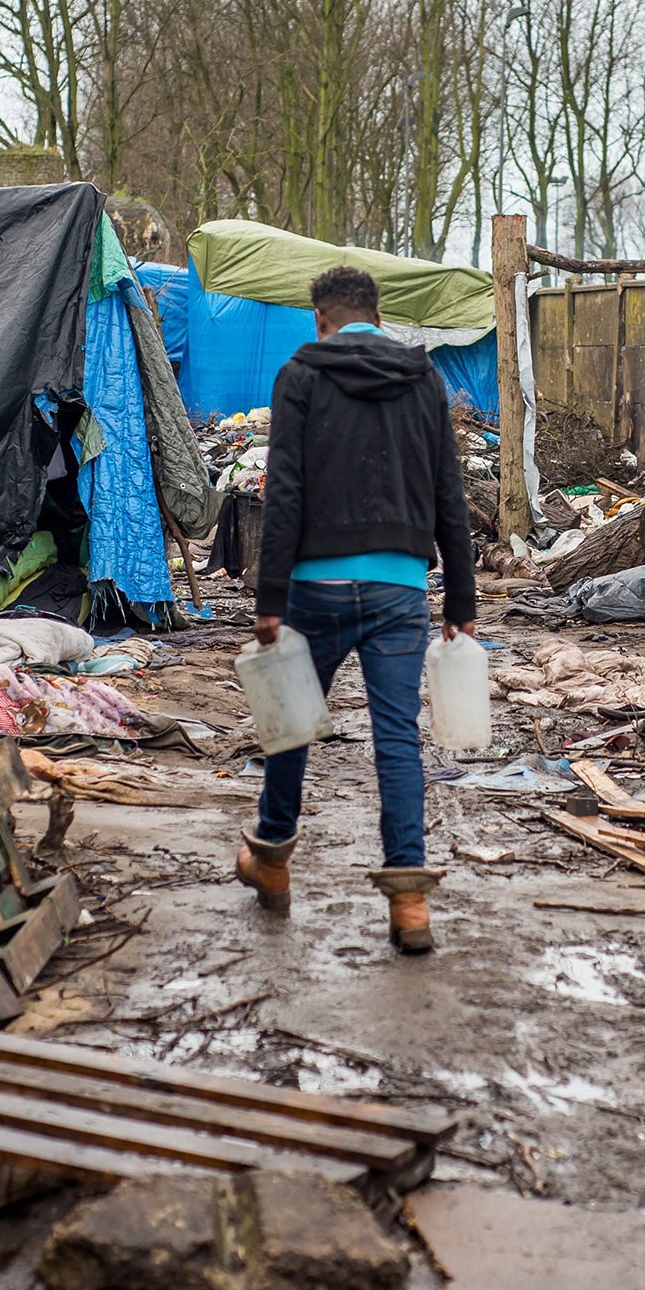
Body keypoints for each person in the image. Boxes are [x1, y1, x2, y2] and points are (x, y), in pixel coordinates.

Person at [237, 265, 476, 954]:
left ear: (322, 318)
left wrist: (270, 599)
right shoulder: (424, 379)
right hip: (401, 588)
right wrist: (460, 598)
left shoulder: (299, 376)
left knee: (289, 724)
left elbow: (282, 492)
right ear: (377, 312)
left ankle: (273, 863)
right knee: (397, 739)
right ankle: (409, 905)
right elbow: (448, 496)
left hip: (313, 587)